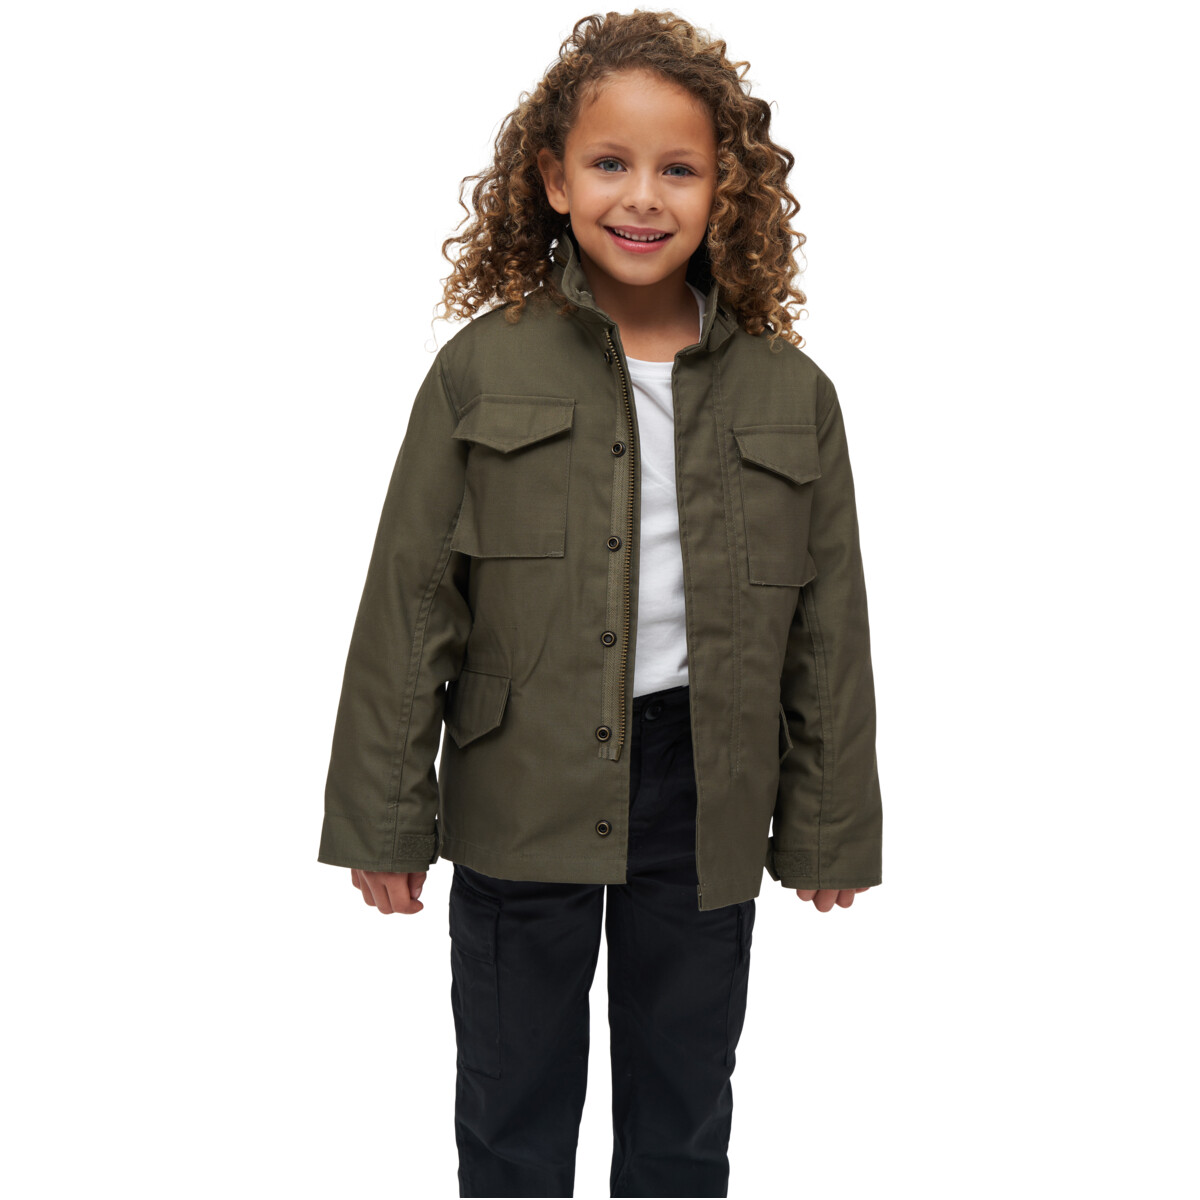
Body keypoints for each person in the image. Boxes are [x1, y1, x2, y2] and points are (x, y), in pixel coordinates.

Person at [318, 10, 883, 1197]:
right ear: (553, 179)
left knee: (684, 1111)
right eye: (610, 163)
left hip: (705, 782)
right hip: (520, 774)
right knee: (513, 1108)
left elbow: (829, 630)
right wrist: (384, 819)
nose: (643, 197)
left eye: (680, 169)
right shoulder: (483, 368)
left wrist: (829, 822)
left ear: (726, 190)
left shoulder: (794, 394)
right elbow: (412, 601)